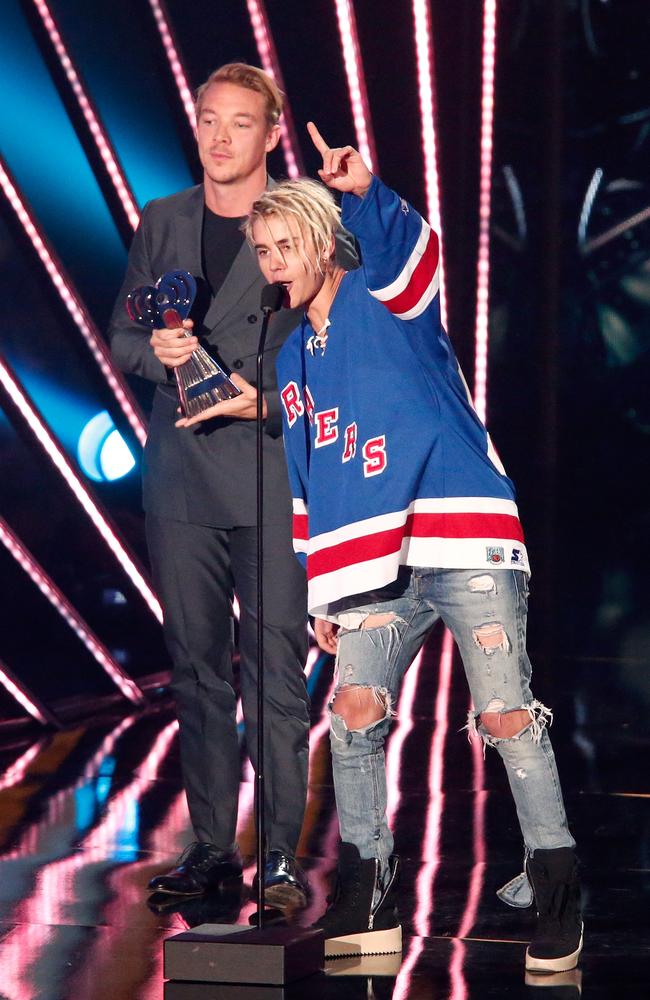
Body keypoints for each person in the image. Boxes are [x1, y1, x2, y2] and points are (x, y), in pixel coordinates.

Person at [237, 123, 581, 970]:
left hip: (463, 533)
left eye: (288, 244)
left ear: (322, 241)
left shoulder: (387, 294)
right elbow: (309, 486)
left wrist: (365, 190)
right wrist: (323, 592)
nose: (275, 261)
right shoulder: (290, 360)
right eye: (264, 249)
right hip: (370, 564)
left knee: (504, 715)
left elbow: (414, 254)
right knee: (352, 713)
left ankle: (558, 883)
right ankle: (368, 887)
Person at [108, 65, 355, 906]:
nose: (220, 137)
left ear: (272, 133)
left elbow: (340, 345)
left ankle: (279, 853)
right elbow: (124, 334)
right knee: (197, 668)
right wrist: (159, 355)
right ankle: (213, 844)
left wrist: (274, 402)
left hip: (270, 475)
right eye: (209, 120)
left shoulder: (305, 221)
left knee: (275, 669)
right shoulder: (164, 220)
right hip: (180, 478)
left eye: (239, 123)